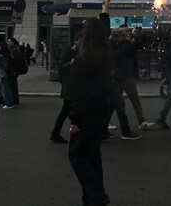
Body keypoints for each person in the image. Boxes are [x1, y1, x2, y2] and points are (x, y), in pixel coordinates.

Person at [68, 17, 112, 206]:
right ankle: (91, 198)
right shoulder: (104, 54)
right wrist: (104, 14)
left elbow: (77, 91)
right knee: (93, 155)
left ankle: (96, 195)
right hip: (100, 109)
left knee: (77, 155)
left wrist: (75, 120)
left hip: (85, 113)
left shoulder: (82, 59)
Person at [107, 28, 142, 140]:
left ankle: (102, 129)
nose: (125, 37)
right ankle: (125, 131)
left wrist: (131, 44)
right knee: (120, 104)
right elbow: (118, 56)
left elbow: (129, 55)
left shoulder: (121, 44)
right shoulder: (110, 45)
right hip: (113, 78)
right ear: (116, 37)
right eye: (123, 35)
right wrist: (127, 43)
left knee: (113, 105)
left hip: (121, 77)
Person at [50, 31, 83, 144]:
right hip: (69, 85)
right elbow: (61, 67)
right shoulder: (68, 53)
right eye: (81, 42)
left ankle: (58, 132)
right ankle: (56, 132)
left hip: (78, 85)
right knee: (67, 110)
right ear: (76, 41)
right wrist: (71, 63)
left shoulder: (83, 52)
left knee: (72, 110)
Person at [0, 42, 14, 109]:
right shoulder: (7, 55)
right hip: (5, 73)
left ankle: (9, 103)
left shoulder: (2, 56)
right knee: (5, 89)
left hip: (3, 74)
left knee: (5, 90)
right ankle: (5, 102)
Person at [7, 37, 22, 105]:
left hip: (13, 70)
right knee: (13, 85)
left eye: (9, 41)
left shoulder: (14, 50)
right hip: (15, 70)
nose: (8, 42)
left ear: (13, 42)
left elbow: (13, 61)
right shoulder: (15, 49)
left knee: (12, 85)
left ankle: (14, 100)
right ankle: (15, 99)